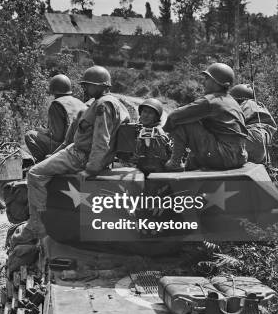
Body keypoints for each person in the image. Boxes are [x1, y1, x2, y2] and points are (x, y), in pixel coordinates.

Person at [11, 65, 129, 243]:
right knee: (43, 166)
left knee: (35, 174)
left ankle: (36, 225)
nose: (85, 88)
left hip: (79, 156)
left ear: (101, 85)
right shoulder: (109, 103)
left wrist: (91, 169)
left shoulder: (103, 105)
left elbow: (101, 139)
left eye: (89, 85)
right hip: (75, 150)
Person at [164, 62, 248, 171]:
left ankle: (174, 163)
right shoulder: (232, 101)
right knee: (198, 124)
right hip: (240, 157)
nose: (204, 82)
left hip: (223, 156)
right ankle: (191, 165)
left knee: (183, 121)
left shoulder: (210, 101)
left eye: (207, 79)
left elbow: (174, 116)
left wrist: (165, 132)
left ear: (216, 82)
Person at [24, 74, 86, 163]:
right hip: (81, 145)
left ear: (53, 89)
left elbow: (58, 136)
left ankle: (43, 163)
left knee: (30, 135)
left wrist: (43, 131)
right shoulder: (79, 102)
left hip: (66, 147)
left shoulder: (57, 104)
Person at [229, 84, 277, 164]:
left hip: (251, 136)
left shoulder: (247, 104)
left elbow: (232, 121)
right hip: (262, 142)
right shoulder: (259, 107)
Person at [133, 98, 172, 174]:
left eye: (150, 113)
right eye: (144, 111)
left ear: (156, 117)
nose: (146, 115)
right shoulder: (138, 129)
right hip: (140, 171)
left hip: (152, 174)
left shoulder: (158, 133)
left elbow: (158, 160)